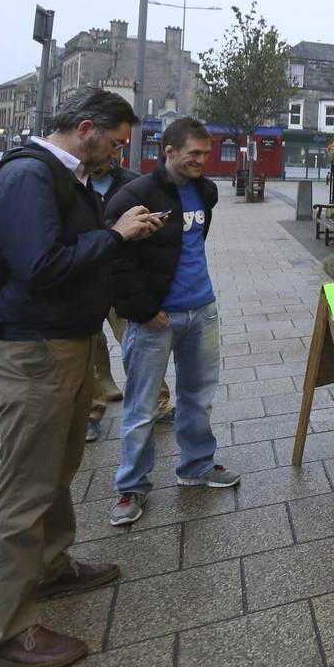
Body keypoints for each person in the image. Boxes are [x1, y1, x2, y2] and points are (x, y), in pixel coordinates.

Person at [0, 89, 162, 667]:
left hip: (67, 344)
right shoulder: (28, 177)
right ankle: (8, 631)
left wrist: (117, 232)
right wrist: (117, 236)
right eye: (114, 141)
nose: (117, 153)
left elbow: (68, 251)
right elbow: (39, 267)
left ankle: (52, 567)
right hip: (34, 351)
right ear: (86, 129)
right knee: (25, 485)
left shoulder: (69, 176)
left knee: (58, 466)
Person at [106, 117, 235, 527]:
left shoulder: (205, 191)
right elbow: (116, 260)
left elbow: (194, 244)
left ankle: (196, 465)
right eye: (193, 154)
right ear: (169, 152)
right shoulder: (135, 195)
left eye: (205, 154)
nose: (201, 161)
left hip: (203, 309)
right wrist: (145, 310)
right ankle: (131, 487)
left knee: (198, 396)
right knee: (142, 406)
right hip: (155, 319)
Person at [85, 157, 171, 443]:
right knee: (89, 347)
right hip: (86, 277)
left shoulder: (131, 183)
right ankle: (91, 412)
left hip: (120, 278)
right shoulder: (71, 183)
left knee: (137, 343)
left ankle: (158, 402)